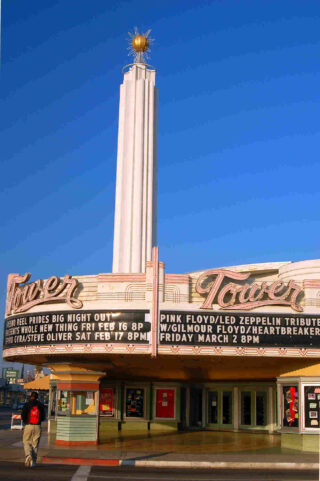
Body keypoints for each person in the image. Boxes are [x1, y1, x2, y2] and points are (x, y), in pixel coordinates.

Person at [21, 391, 46, 467]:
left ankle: (28, 455)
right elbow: (43, 417)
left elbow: (23, 415)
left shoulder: (27, 404)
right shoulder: (40, 405)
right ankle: (33, 462)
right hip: (37, 426)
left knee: (26, 441)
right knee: (35, 444)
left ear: (30, 396)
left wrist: (26, 421)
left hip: (28, 425)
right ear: (37, 397)